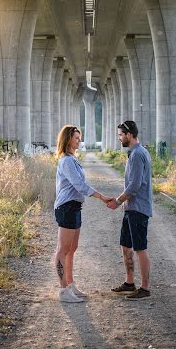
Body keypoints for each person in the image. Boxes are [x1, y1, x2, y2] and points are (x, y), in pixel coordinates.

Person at [54, 124, 111, 303]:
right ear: (68, 139)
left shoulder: (73, 159)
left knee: (72, 249)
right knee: (63, 250)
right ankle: (63, 291)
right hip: (66, 207)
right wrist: (101, 196)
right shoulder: (67, 161)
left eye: (80, 137)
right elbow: (80, 185)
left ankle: (70, 285)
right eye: (77, 138)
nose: (79, 141)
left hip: (75, 207)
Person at [107, 120, 153, 300]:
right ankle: (129, 282)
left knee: (140, 248)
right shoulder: (134, 153)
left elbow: (134, 186)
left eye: (121, 135)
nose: (119, 138)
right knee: (126, 244)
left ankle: (145, 288)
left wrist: (118, 201)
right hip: (131, 208)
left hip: (138, 208)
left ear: (129, 134)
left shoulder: (137, 154)